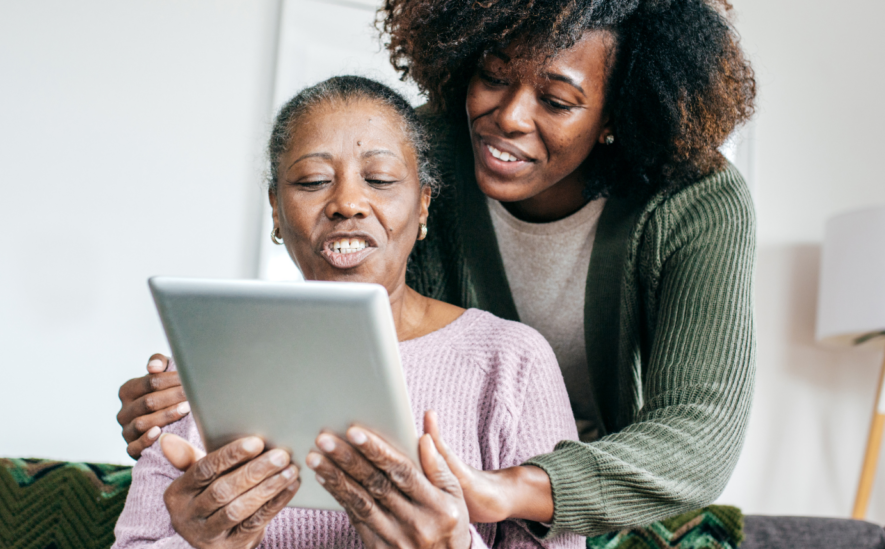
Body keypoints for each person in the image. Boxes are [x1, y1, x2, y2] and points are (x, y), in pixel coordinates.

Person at [118, 0, 758, 540]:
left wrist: (501, 489)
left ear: (617, 112)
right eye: (493, 76)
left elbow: (700, 433)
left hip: (603, 503)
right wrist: (209, 388)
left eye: (556, 101)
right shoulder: (421, 162)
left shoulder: (695, 203)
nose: (508, 117)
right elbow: (359, 328)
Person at [112, 76, 583, 549]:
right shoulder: (200, 368)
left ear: (423, 205)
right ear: (276, 209)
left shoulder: (511, 362)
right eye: (313, 182)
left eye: (379, 179)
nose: (347, 204)